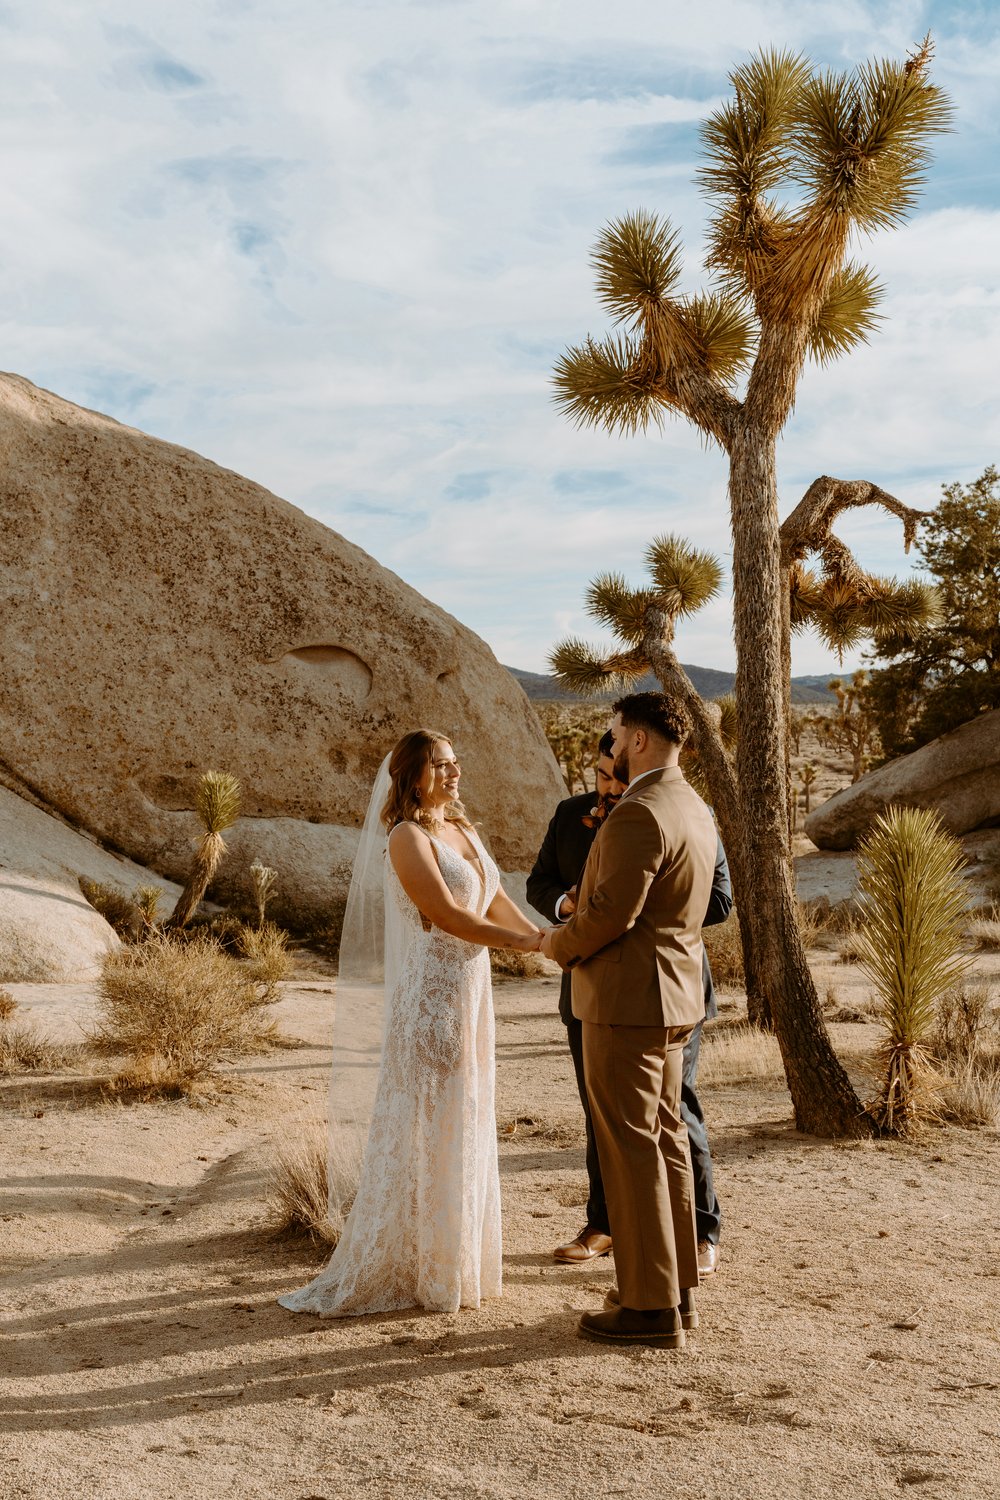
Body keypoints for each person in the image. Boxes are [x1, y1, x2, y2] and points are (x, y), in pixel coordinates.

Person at [279, 729, 541, 1319]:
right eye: (440, 765)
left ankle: (453, 1262)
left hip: (473, 995)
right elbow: (447, 916)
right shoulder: (407, 837)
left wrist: (543, 937)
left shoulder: (463, 831)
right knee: (429, 1121)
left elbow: (493, 900)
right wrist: (531, 945)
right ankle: (415, 1263)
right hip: (432, 999)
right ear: (412, 776)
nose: (452, 772)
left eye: (455, 762)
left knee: (464, 1115)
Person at [541, 692, 718, 1348]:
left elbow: (609, 915)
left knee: (633, 1149)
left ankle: (646, 1307)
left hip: (625, 1004)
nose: (609, 745)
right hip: (673, 999)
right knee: (665, 1138)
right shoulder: (690, 804)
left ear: (637, 739)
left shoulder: (639, 812)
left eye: (615, 734)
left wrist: (552, 944)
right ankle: (673, 1290)